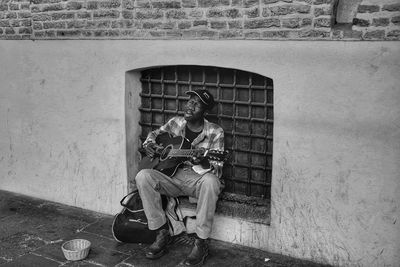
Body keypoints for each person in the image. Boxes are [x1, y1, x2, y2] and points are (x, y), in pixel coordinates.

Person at [135, 89, 225, 266]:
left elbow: (217, 169)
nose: (189, 106)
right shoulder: (175, 122)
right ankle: (161, 233)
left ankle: (201, 242)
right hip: (171, 176)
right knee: (143, 176)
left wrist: (203, 161)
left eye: (196, 104)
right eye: (189, 101)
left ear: (205, 112)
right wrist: (150, 146)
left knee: (212, 182)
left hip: (196, 179)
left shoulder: (215, 131)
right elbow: (154, 135)